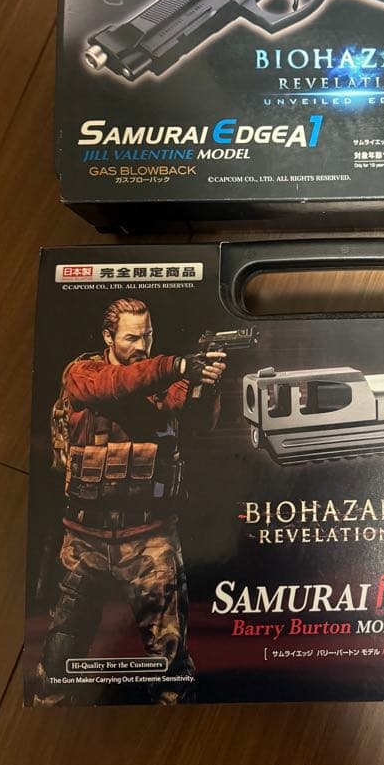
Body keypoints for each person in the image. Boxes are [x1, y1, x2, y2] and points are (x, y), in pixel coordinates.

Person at [34, 297, 226, 705]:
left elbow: (194, 420)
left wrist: (206, 385)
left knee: (171, 668)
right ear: (108, 337)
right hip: (84, 539)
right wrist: (177, 365)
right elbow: (115, 385)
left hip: (149, 539)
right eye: (131, 338)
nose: (142, 345)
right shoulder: (82, 373)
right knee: (57, 660)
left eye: (147, 336)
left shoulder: (162, 379)